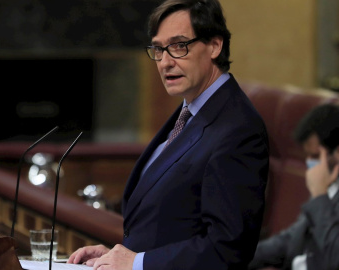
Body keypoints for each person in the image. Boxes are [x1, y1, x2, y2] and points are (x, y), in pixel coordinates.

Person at [67, 0, 269, 269]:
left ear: (214, 46)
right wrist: (118, 256)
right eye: (158, 49)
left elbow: (227, 249)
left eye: (178, 46)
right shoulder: (191, 109)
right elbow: (173, 220)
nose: (164, 62)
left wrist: (138, 263)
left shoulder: (237, 128)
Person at [248, 104, 339, 270]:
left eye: (317, 156)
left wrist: (320, 195)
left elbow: (335, 257)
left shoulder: (322, 190)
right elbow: (291, 239)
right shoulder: (329, 185)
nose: (311, 163)